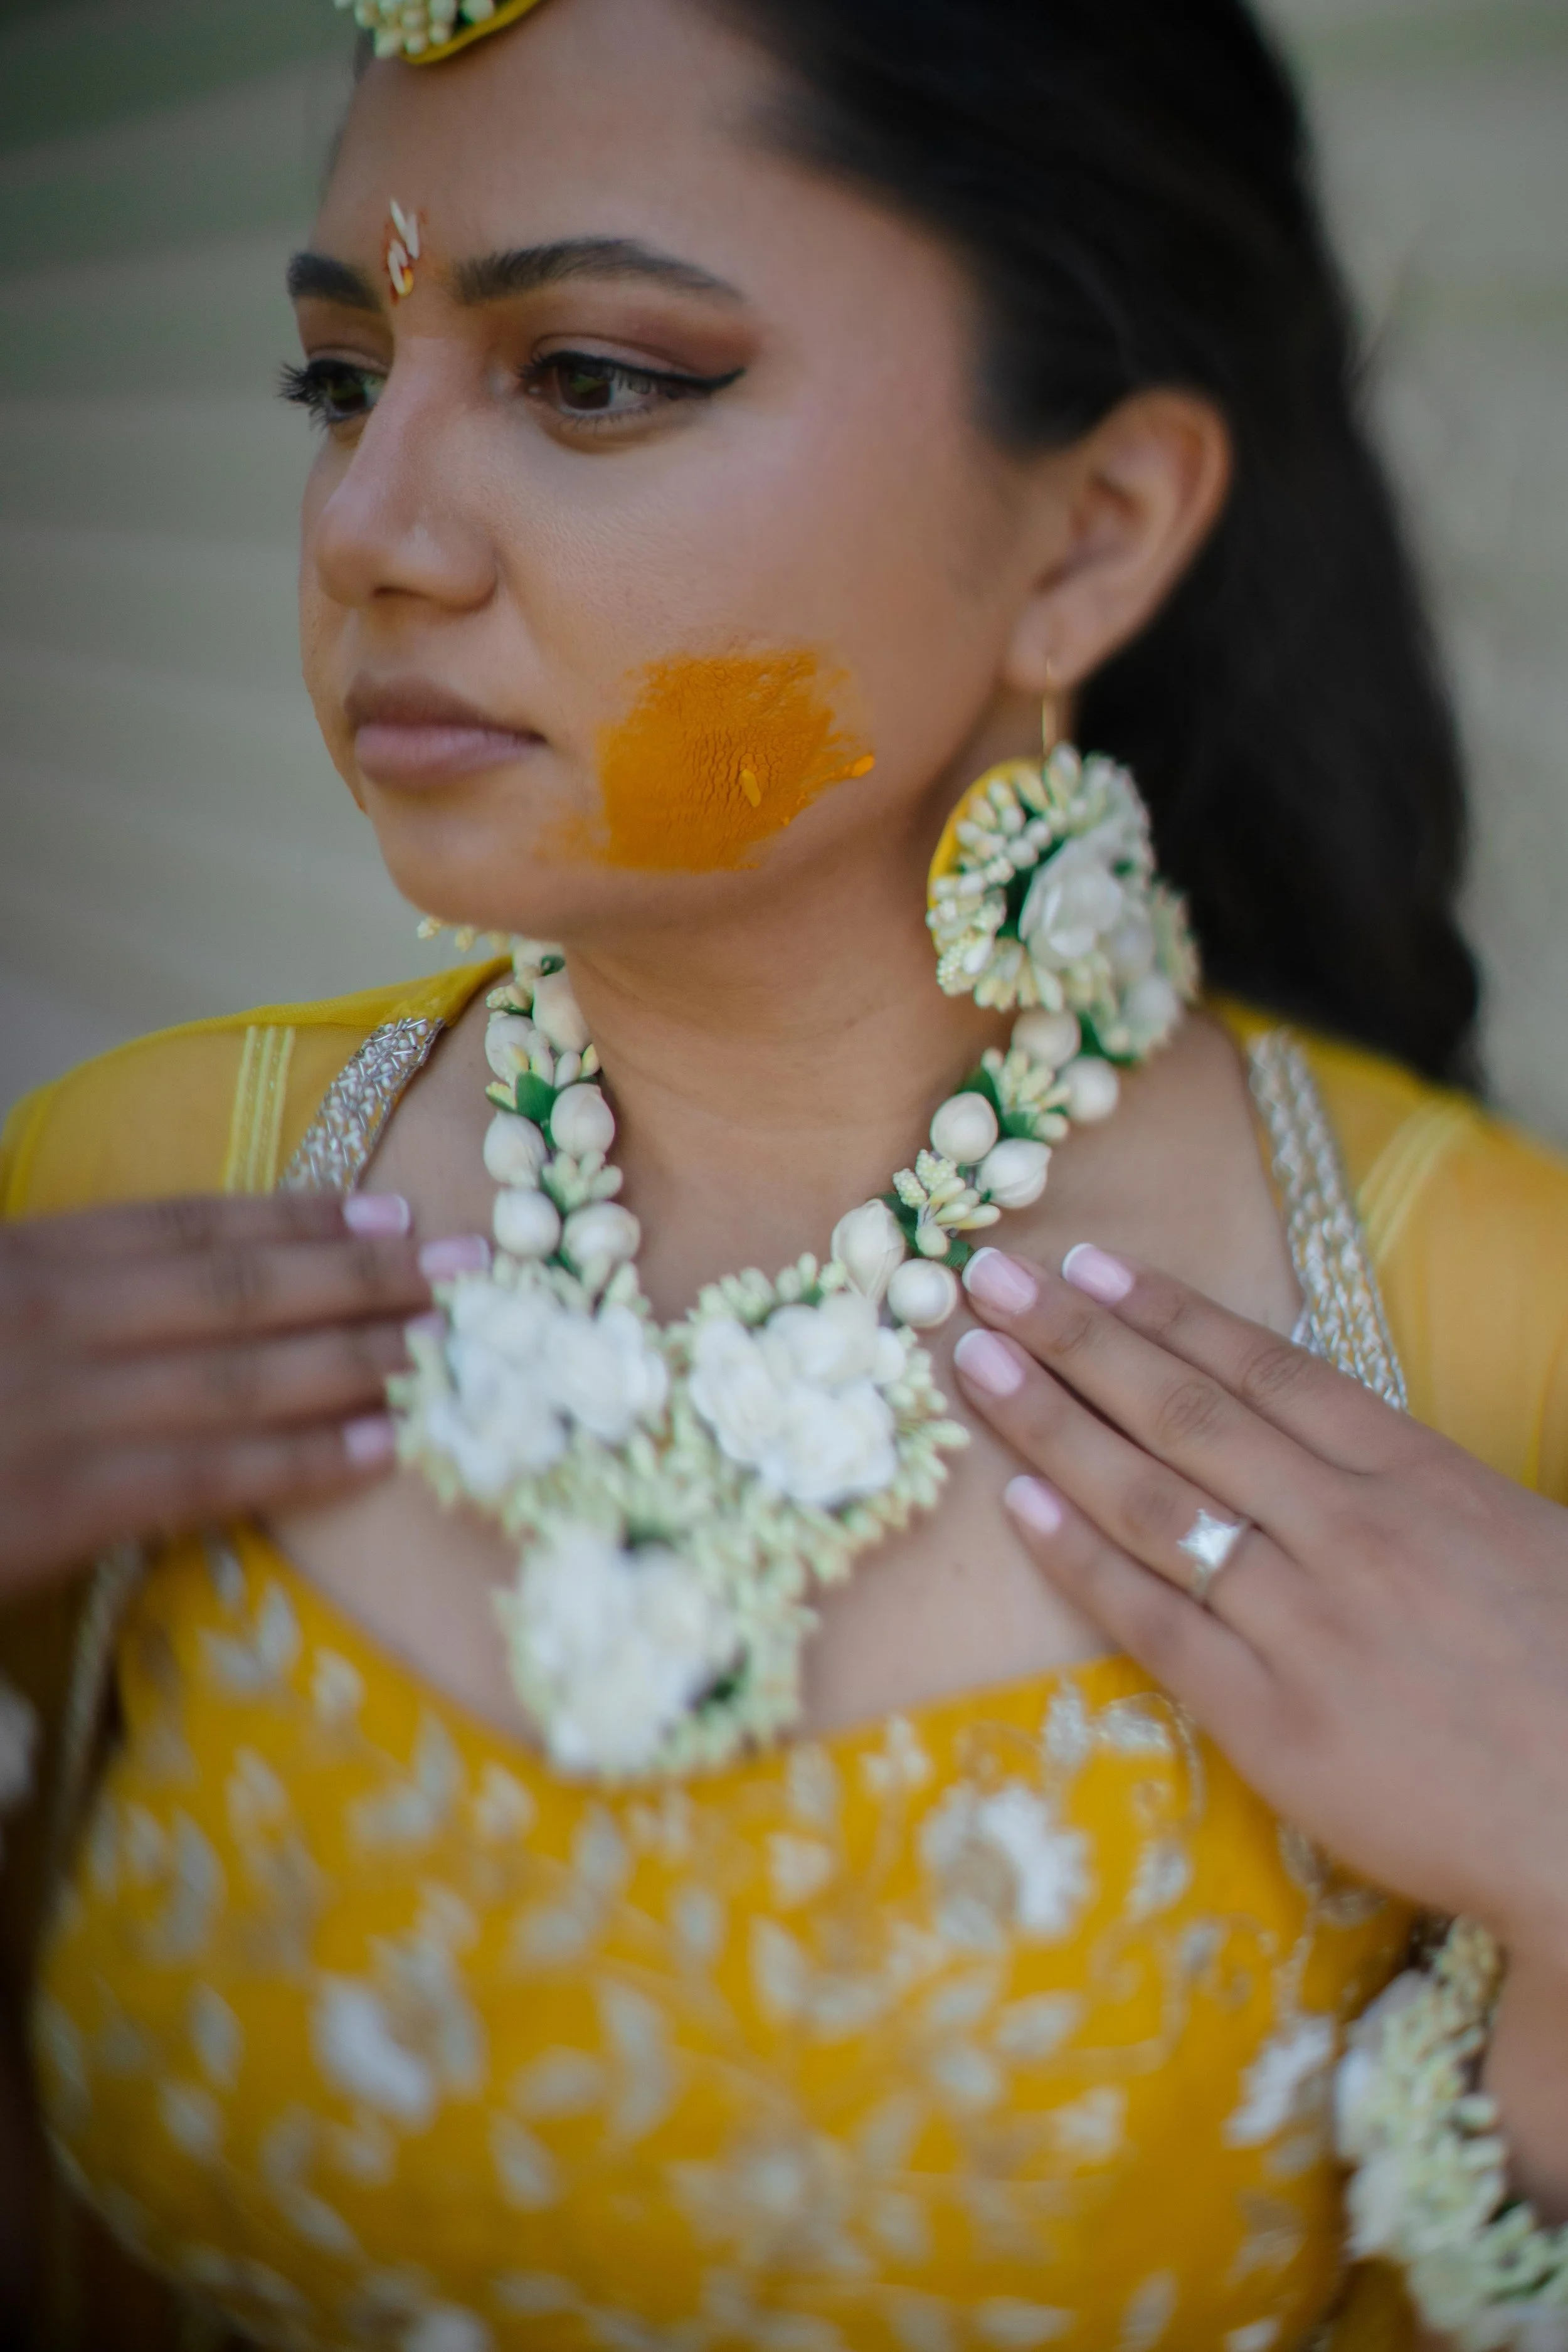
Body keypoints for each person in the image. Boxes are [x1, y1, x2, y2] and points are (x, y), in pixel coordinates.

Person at [2, 1, 1567, 2344]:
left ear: (1094, 526)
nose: (366, 529)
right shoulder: (129, 1200)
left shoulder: (1478, 1332)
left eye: (598, 376)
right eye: (341, 379)